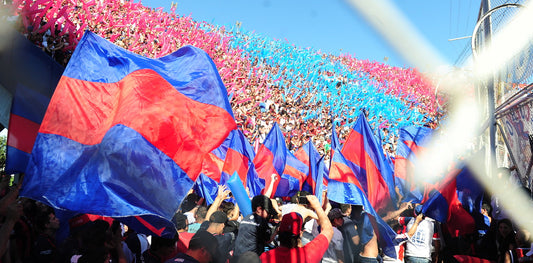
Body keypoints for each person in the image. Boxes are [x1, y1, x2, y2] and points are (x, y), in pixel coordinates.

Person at [259, 195, 333, 263]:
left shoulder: (265, 257)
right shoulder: (308, 255)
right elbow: (328, 230)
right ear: (300, 233)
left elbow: (274, 203)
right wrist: (317, 206)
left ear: (278, 231)